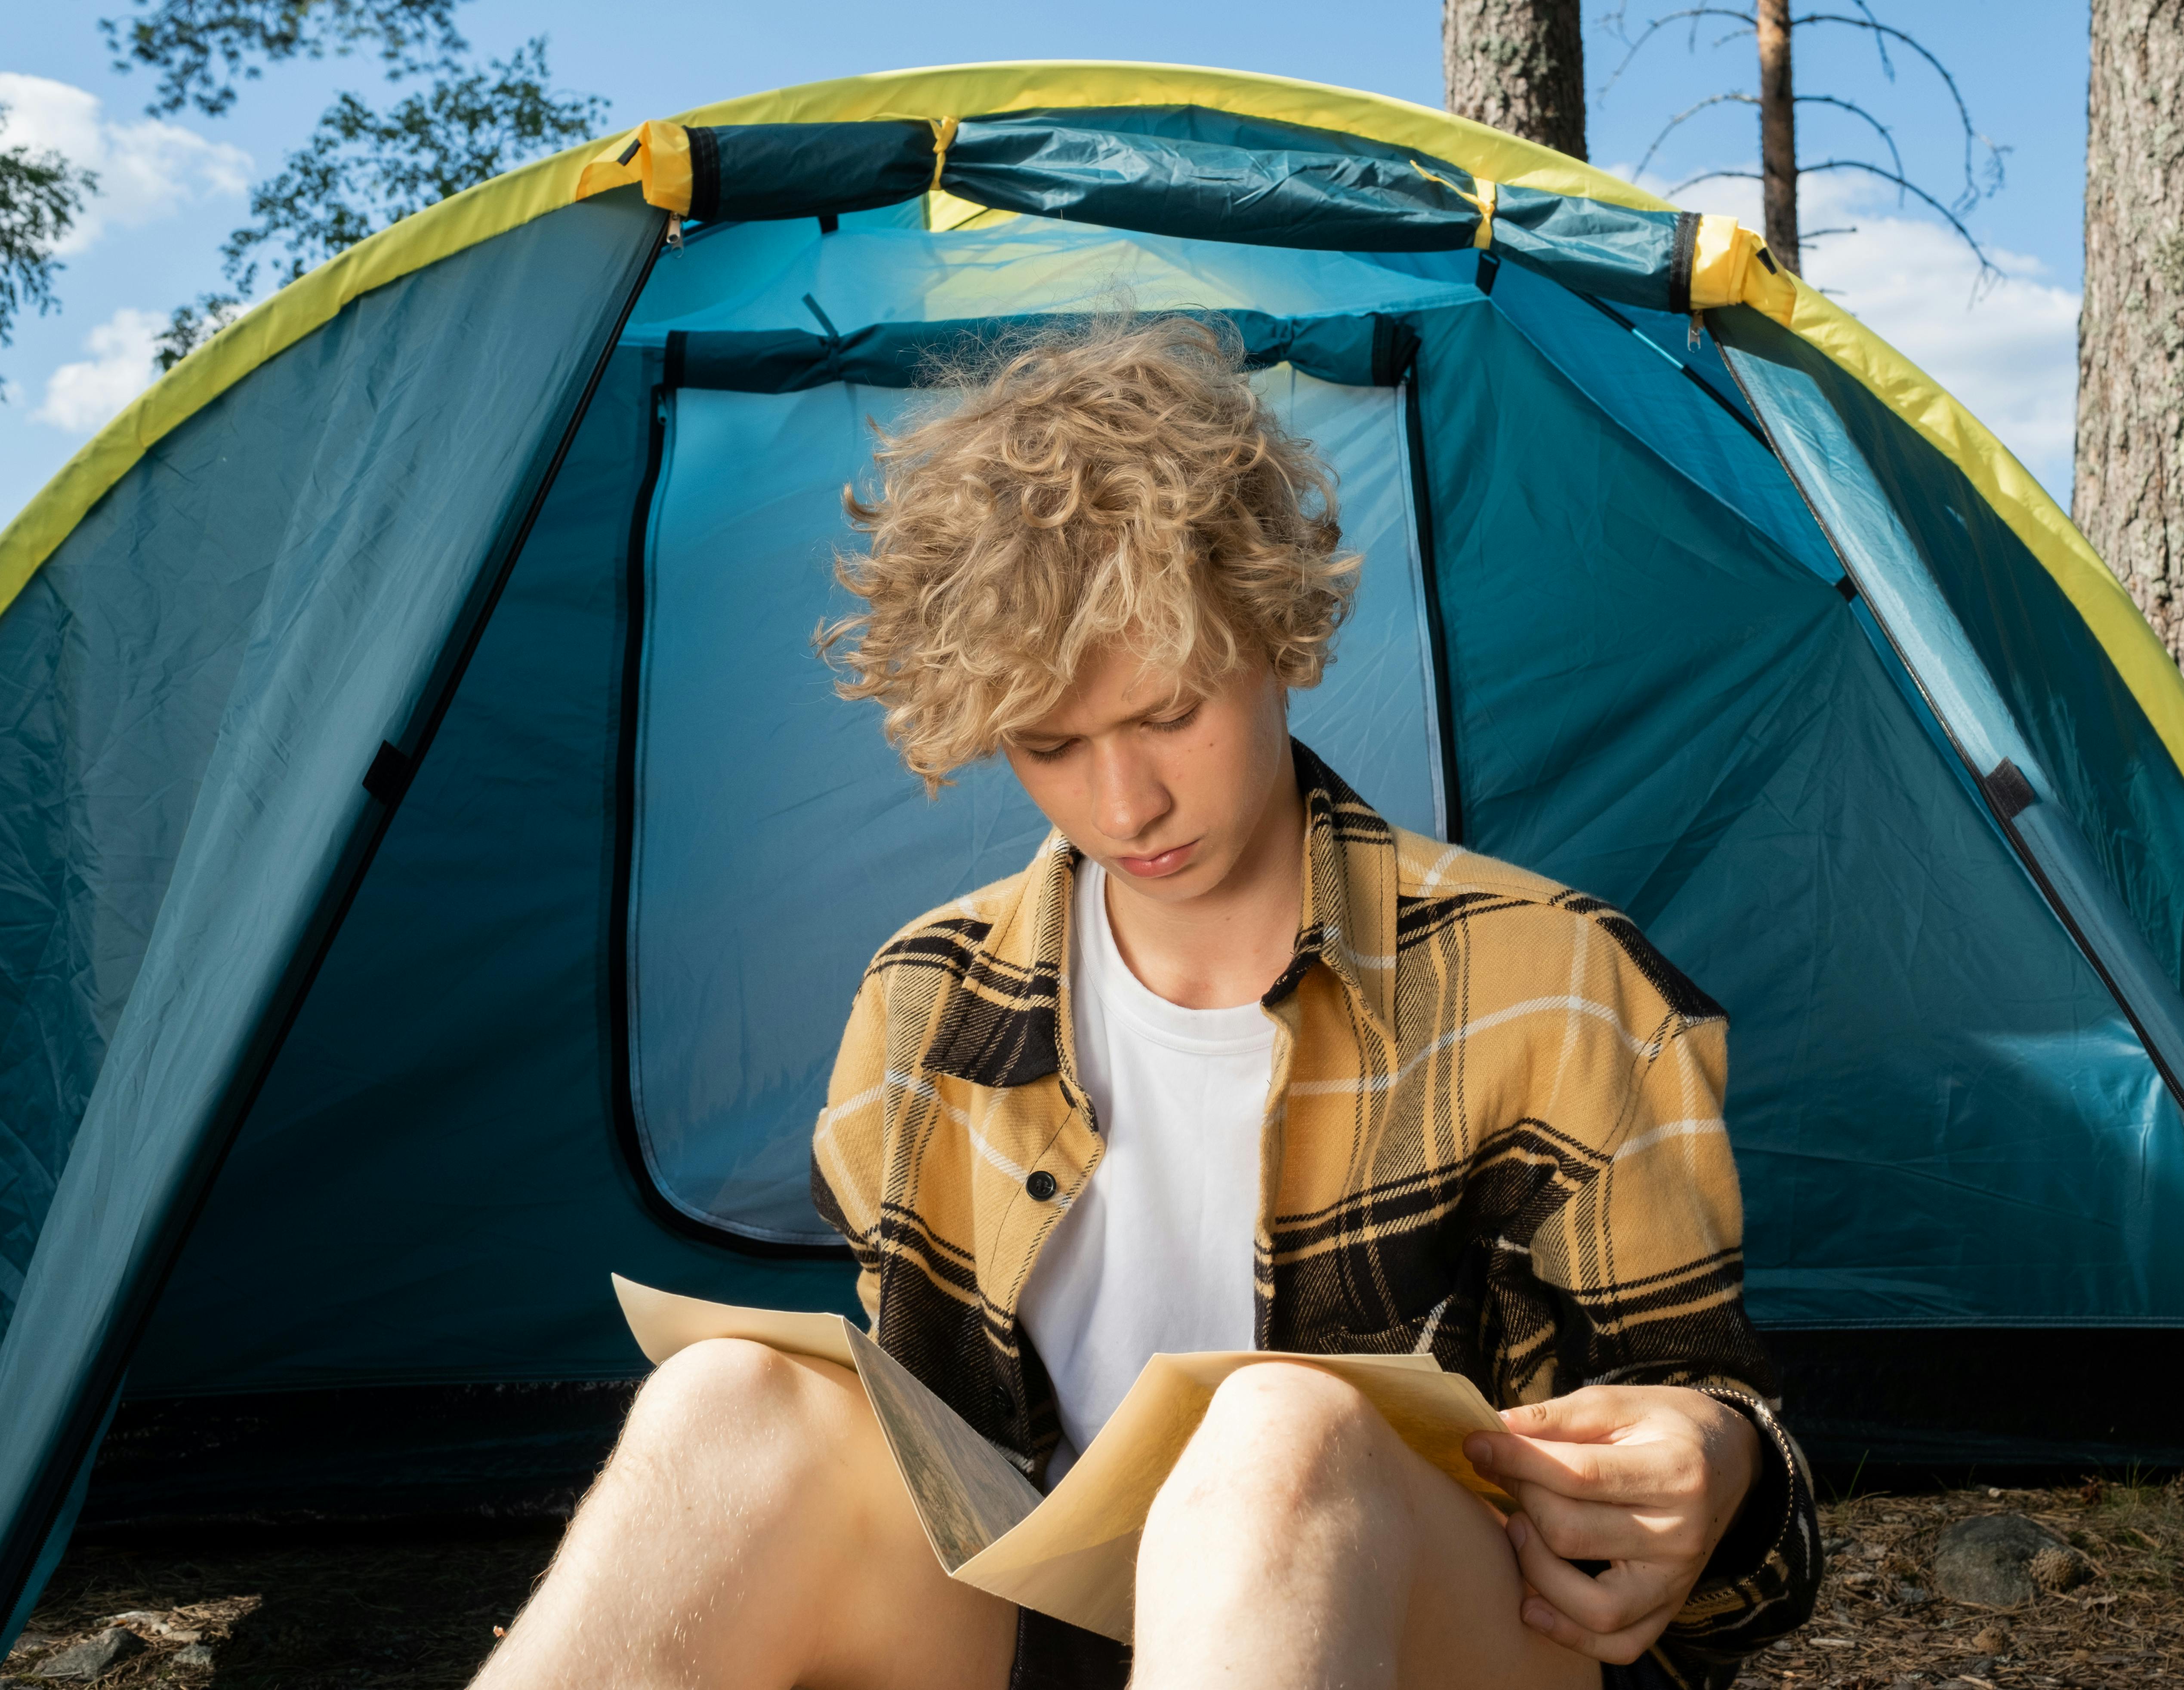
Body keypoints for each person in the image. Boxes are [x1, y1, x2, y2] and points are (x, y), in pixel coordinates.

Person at [473, 318, 1820, 1690]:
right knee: (728, 1402)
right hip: (1047, 1637)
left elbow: (1729, 1531)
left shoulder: (1561, 982)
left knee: (1277, 1437)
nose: (1127, 807)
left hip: (1445, 1641)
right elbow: (933, 1467)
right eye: (1052, 745)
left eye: (1170, 712)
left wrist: (1715, 1461)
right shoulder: (921, 1001)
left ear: (1274, 633)